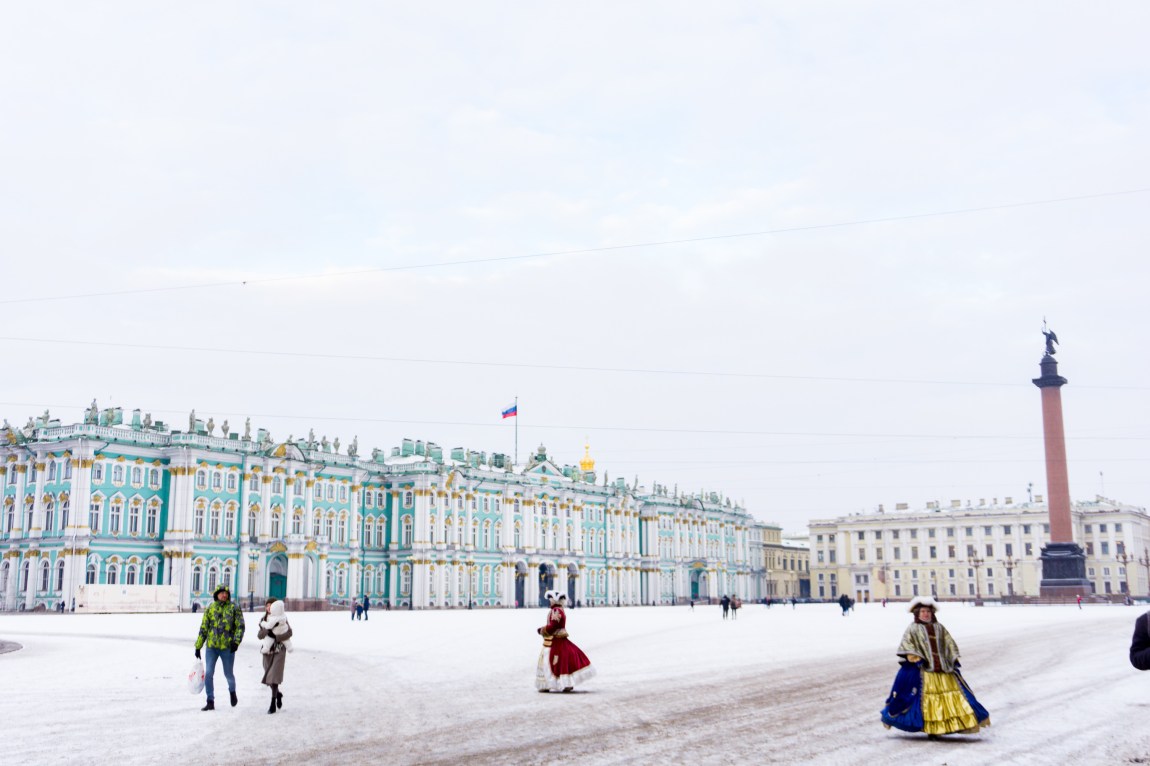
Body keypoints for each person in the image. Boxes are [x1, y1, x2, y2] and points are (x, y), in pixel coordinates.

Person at [881, 596, 990, 737]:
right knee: (926, 699)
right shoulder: (913, 628)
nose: (926, 614)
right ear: (917, 613)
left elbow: (949, 643)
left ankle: (949, 726)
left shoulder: (939, 628)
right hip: (924, 671)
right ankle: (931, 729)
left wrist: (953, 658)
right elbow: (907, 645)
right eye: (923, 611)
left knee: (953, 698)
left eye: (928, 611)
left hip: (944, 670)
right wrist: (916, 658)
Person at [193, 584, 246, 711]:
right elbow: (204, 627)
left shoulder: (234, 607)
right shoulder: (211, 608)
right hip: (212, 647)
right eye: (221, 593)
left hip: (227, 647)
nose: (224, 595)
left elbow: (240, 626)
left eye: (226, 593)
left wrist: (236, 642)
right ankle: (210, 700)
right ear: (216, 594)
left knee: (228, 674)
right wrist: (198, 646)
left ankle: (232, 691)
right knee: (209, 674)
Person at [536, 590, 595, 693]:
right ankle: (566, 684)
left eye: (550, 600)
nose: (549, 602)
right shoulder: (560, 610)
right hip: (560, 639)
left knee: (552, 661)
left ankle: (549, 684)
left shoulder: (556, 611)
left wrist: (542, 630)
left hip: (556, 640)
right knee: (565, 661)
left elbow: (553, 626)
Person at [258, 598, 293, 715]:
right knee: (269, 677)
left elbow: (289, 633)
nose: (268, 608)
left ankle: (272, 702)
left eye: (270, 605)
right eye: (267, 606)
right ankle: (278, 694)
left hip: (279, 649)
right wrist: (267, 632)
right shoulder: (263, 620)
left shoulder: (282, 618)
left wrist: (277, 637)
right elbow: (259, 635)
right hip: (267, 651)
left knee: (274, 676)